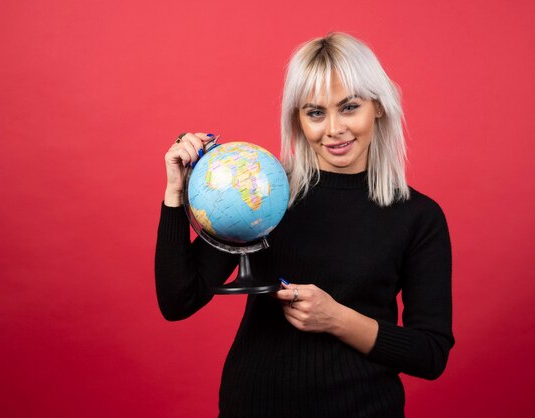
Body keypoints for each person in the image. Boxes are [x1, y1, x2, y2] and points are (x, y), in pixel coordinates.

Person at [155, 32, 454, 418]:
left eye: (349, 107)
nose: (333, 129)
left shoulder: (418, 217)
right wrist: (175, 192)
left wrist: (336, 319)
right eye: (315, 112)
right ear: (297, 118)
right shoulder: (263, 192)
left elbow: (430, 354)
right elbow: (178, 301)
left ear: (377, 107)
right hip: (252, 406)